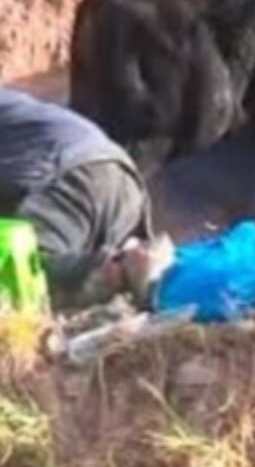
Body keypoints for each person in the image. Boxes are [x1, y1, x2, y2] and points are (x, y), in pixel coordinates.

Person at [0, 84, 159, 307]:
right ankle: (132, 269)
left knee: (18, 274)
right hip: (120, 178)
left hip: (67, 176)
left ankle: (115, 270)